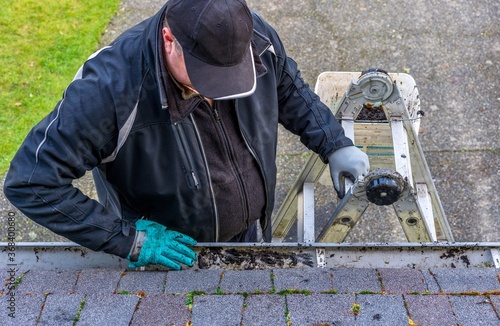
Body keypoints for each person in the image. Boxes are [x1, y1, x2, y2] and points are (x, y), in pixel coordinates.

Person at [4, 0, 369, 270]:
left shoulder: (250, 36)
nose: (217, 94)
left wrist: (333, 142)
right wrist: (128, 239)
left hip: (246, 237)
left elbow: (287, 89)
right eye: (206, 77)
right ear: (168, 39)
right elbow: (31, 182)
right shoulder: (109, 91)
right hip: (167, 254)